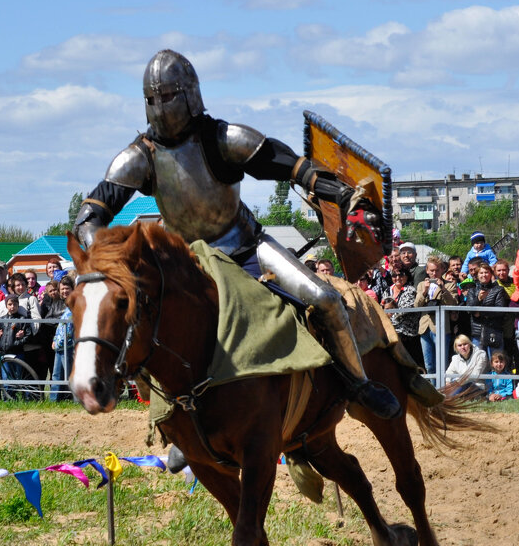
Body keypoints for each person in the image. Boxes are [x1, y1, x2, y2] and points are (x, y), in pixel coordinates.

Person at [71, 49, 402, 419]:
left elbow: (292, 167)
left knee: (323, 297)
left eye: (168, 95)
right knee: (154, 326)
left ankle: (358, 382)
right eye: (154, 98)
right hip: (189, 263)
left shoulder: (223, 139)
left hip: (246, 247)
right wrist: (106, 257)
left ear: (190, 95)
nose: (162, 106)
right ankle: (178, 416)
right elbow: (90, 215)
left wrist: (340, 195)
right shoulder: (140, 157)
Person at [414, 255, 458, 376]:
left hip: (442, 327)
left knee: (442, 364)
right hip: (424, 327)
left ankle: (442, 391)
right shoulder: (421, 285)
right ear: (427, 271)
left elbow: (453, 304)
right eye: (431, 270)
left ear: (442, 270)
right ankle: (434, 392)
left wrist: (443, 289)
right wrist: (424, 292)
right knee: (429, 365)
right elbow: (417, 306)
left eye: (437, 270)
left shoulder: (449, 285)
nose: (434, 273)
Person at [0, 295, 35, 401]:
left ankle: (24, 399)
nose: (12, 307)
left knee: (19, 377)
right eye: (10, 304)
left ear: (18, 305)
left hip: (18, 353)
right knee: (6, 377)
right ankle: (8, 399)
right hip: (5, 354)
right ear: (6, 305)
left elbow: (28, 336)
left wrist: (17, 342)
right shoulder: (2, 320)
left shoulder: (22, 319)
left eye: (15, 304)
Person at [464, 263, 508, 353]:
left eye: (486, 272)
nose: (484, 275)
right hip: (477, 333)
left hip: (494, 331)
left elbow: (500, 310)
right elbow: (469, 309)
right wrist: (478, 299)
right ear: (477, 275)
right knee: (479, 363)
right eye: (481, 273)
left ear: (491, 274)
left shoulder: (498, 289)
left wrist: (480, 313)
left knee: (496, 363)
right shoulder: (472, 290)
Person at [49, 275, 75, 401]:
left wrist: (60, 342)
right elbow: (61, 327)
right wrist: (55, 341)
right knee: (56, 376)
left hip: (69, 347)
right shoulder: (65, 306)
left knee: (72, 376)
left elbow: (70, 328)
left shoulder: (75, 305)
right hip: (60, 346)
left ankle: (78, 401)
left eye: (67, 288)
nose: (64, 291)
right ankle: (54, 401)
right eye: (62, 289)